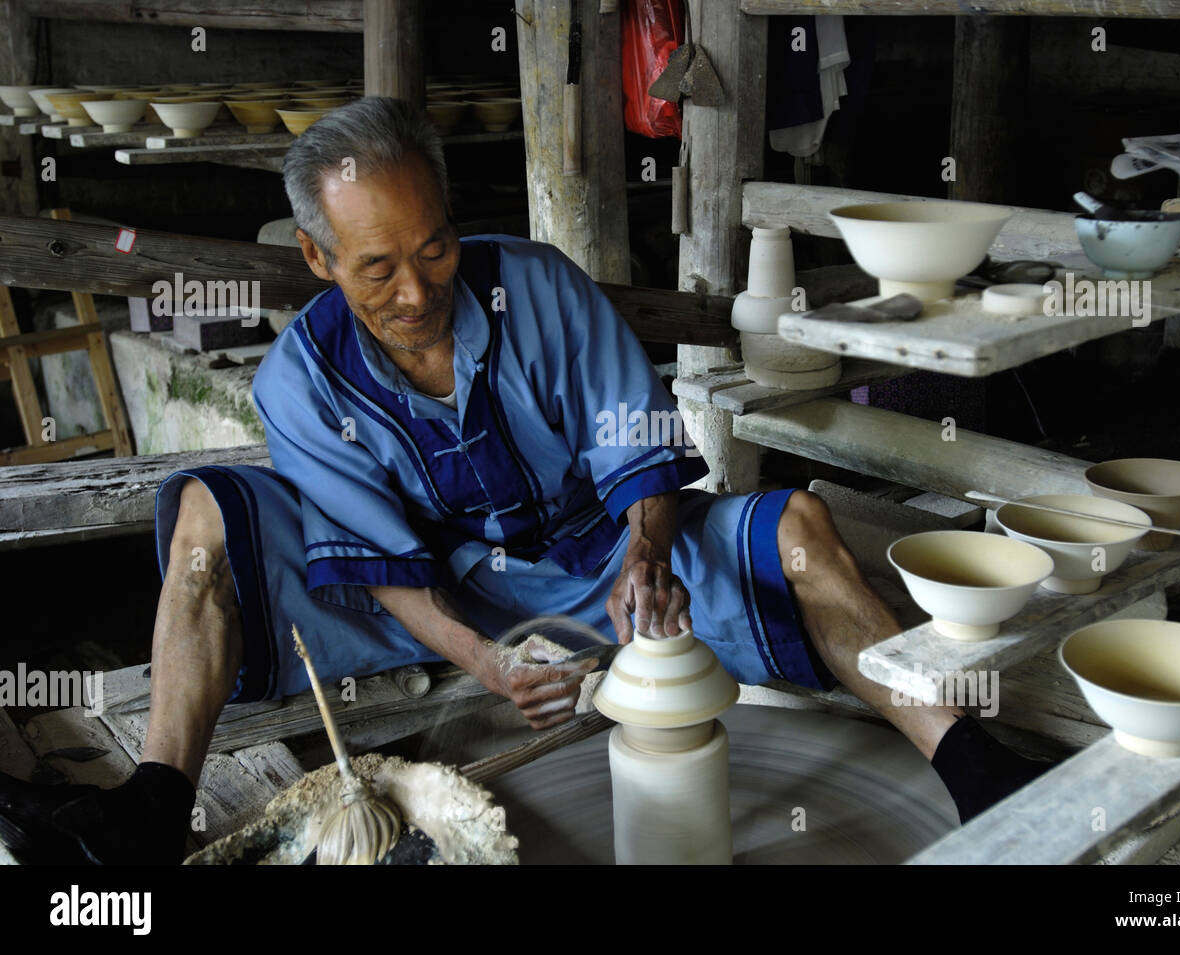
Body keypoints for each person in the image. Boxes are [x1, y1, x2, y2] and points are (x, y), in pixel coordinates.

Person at [0, 98, 1048, 865]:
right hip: (429, 595)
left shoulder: (536, 289)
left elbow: (636, 443)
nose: (417, 289)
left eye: (436, 246)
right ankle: (146, 813)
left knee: (804, 530)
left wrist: (646, 551)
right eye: (376, 269)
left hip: (596, 561)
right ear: (319, 259)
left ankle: (967, 762)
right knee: (201, 517)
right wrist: (487, 663)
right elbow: (380, 566)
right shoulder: (299, 380)